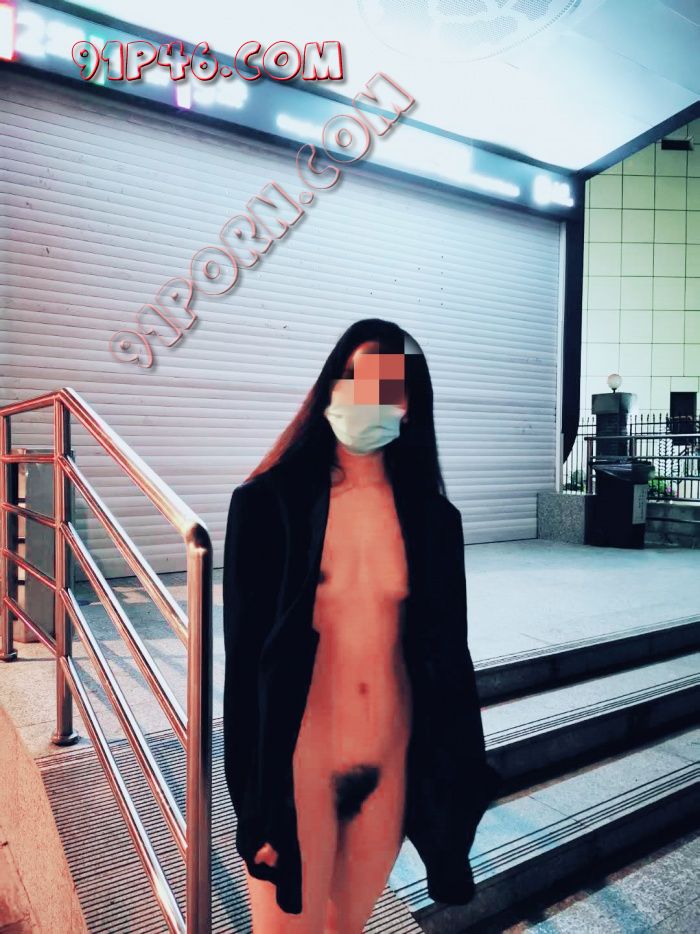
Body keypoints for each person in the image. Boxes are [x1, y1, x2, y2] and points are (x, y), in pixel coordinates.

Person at [223, 318, 503, 933]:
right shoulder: (267, 506)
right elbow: (243, 668)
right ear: (330, 385)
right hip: (301, 770)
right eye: (356, 378)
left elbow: (449, 660)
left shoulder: (434, 521)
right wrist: (251, 803)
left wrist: (460, 782)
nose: (368, 398)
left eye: (388, 386)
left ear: (409, 403)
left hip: (389, 767)